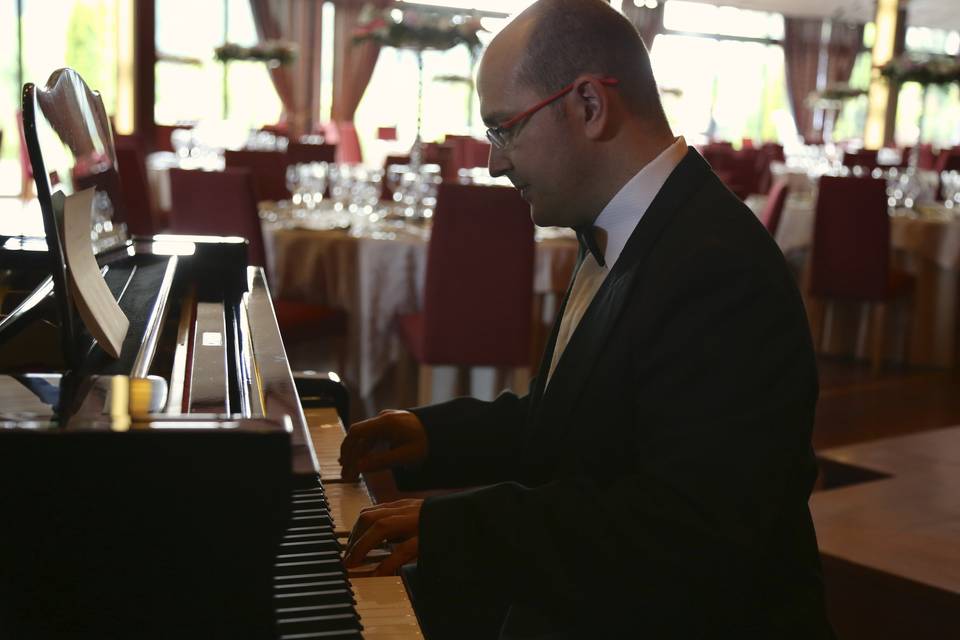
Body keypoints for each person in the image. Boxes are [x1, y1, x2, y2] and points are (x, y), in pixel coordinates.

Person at [339, 0, 834, 637]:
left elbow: (689, 529)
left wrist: (458, 527)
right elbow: (580, 420)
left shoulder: (718, 268)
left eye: (504, 129)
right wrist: (434, 436)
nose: (494, 161)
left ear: (590, 106)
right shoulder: (622, 220)